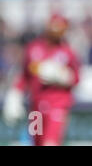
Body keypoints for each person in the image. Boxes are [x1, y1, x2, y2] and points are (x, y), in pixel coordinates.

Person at [2, 14, 80, 146]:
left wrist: (63, 77)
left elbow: (76, 78)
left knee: (50, 143)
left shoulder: (67, 52)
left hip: (57, 105)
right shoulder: (33, 49)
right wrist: (15, 94)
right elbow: (24, 76)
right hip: (35, 108)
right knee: (36, 142)